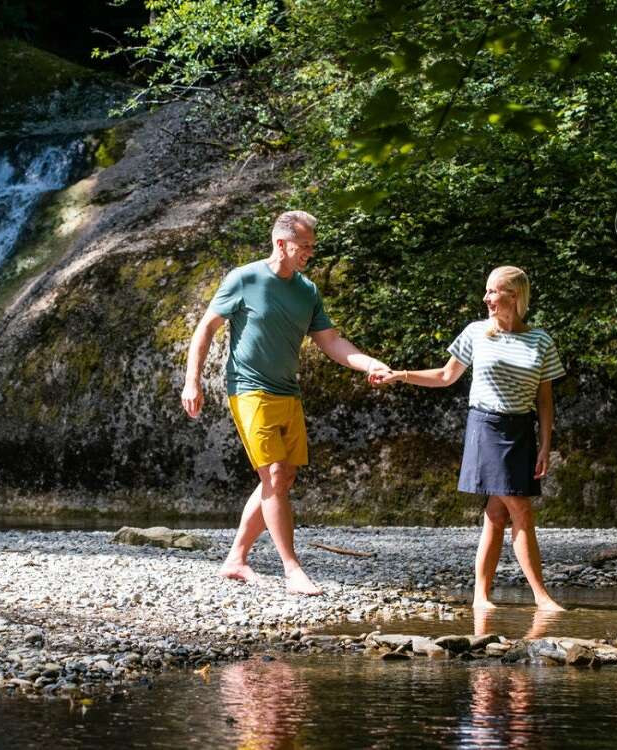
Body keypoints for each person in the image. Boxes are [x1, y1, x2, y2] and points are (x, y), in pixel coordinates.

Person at [181, 210, 386, 595]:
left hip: (287, 391)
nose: (310, 252)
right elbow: (204, 329)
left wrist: (368, 364)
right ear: (281, 243)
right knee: (274, 474)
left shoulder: (306, 290)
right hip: (248, 388)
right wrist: (192, 381)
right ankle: (292, 569)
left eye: (312, 246)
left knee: (284, 476)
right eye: (304, 246)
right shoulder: (244, 278)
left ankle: (236, 559)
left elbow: (331, 341)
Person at [369, 266, 565, 611]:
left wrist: (546, 444)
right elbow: (446, 376)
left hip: (521, 429)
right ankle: (542, 597)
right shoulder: (476, 333)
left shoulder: (541, 340)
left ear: (514, 296)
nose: (486, 298)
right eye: (487, 291)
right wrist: (400, 375)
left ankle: (481, 597)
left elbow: (544, 399)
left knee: (496, 512)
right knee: (520, 507)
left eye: (493, 292)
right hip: (487, 426)